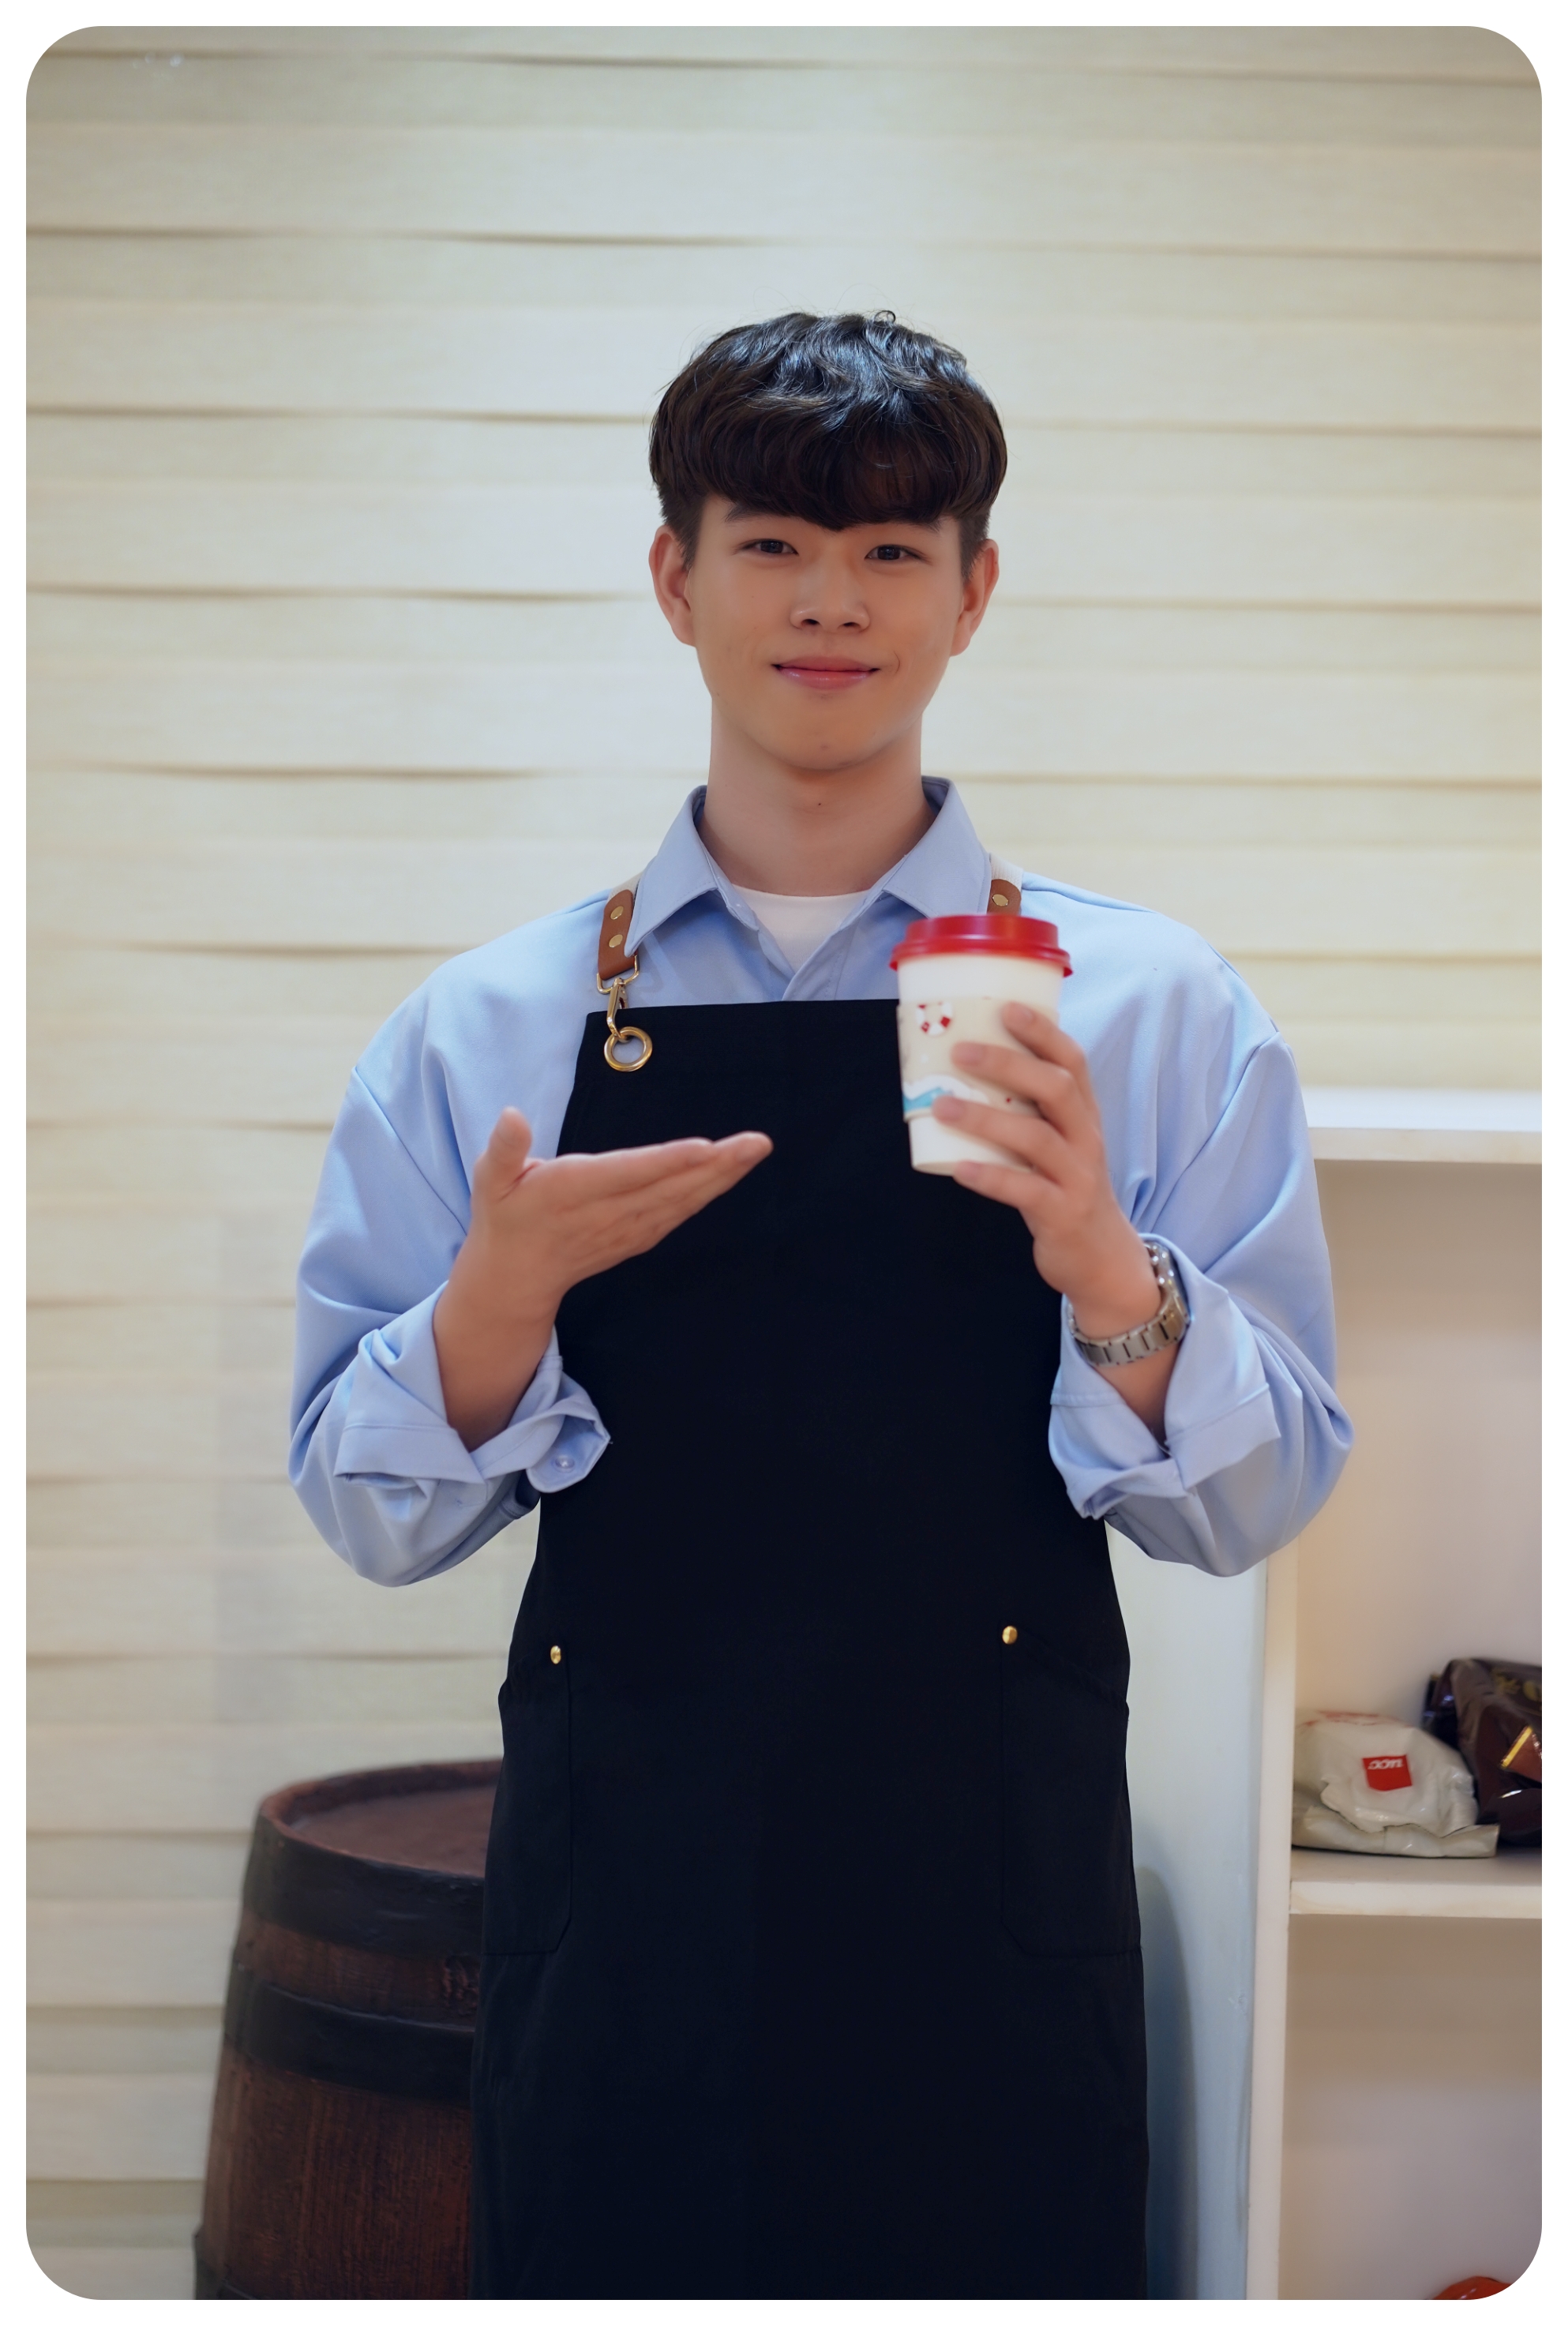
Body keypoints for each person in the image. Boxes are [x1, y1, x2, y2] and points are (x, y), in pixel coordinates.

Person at [290, 312, 1352, 2298]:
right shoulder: (490, 1024)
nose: (831, 603)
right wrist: (494, 1303)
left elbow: (1250, 1506)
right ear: (676, 576)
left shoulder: (1153, 1008)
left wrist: (1109, 1272)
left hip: (991, 1889)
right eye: (773, 543)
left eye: (890, 551)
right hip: (626, 1893)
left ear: (975, 590)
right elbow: (373, 1515)